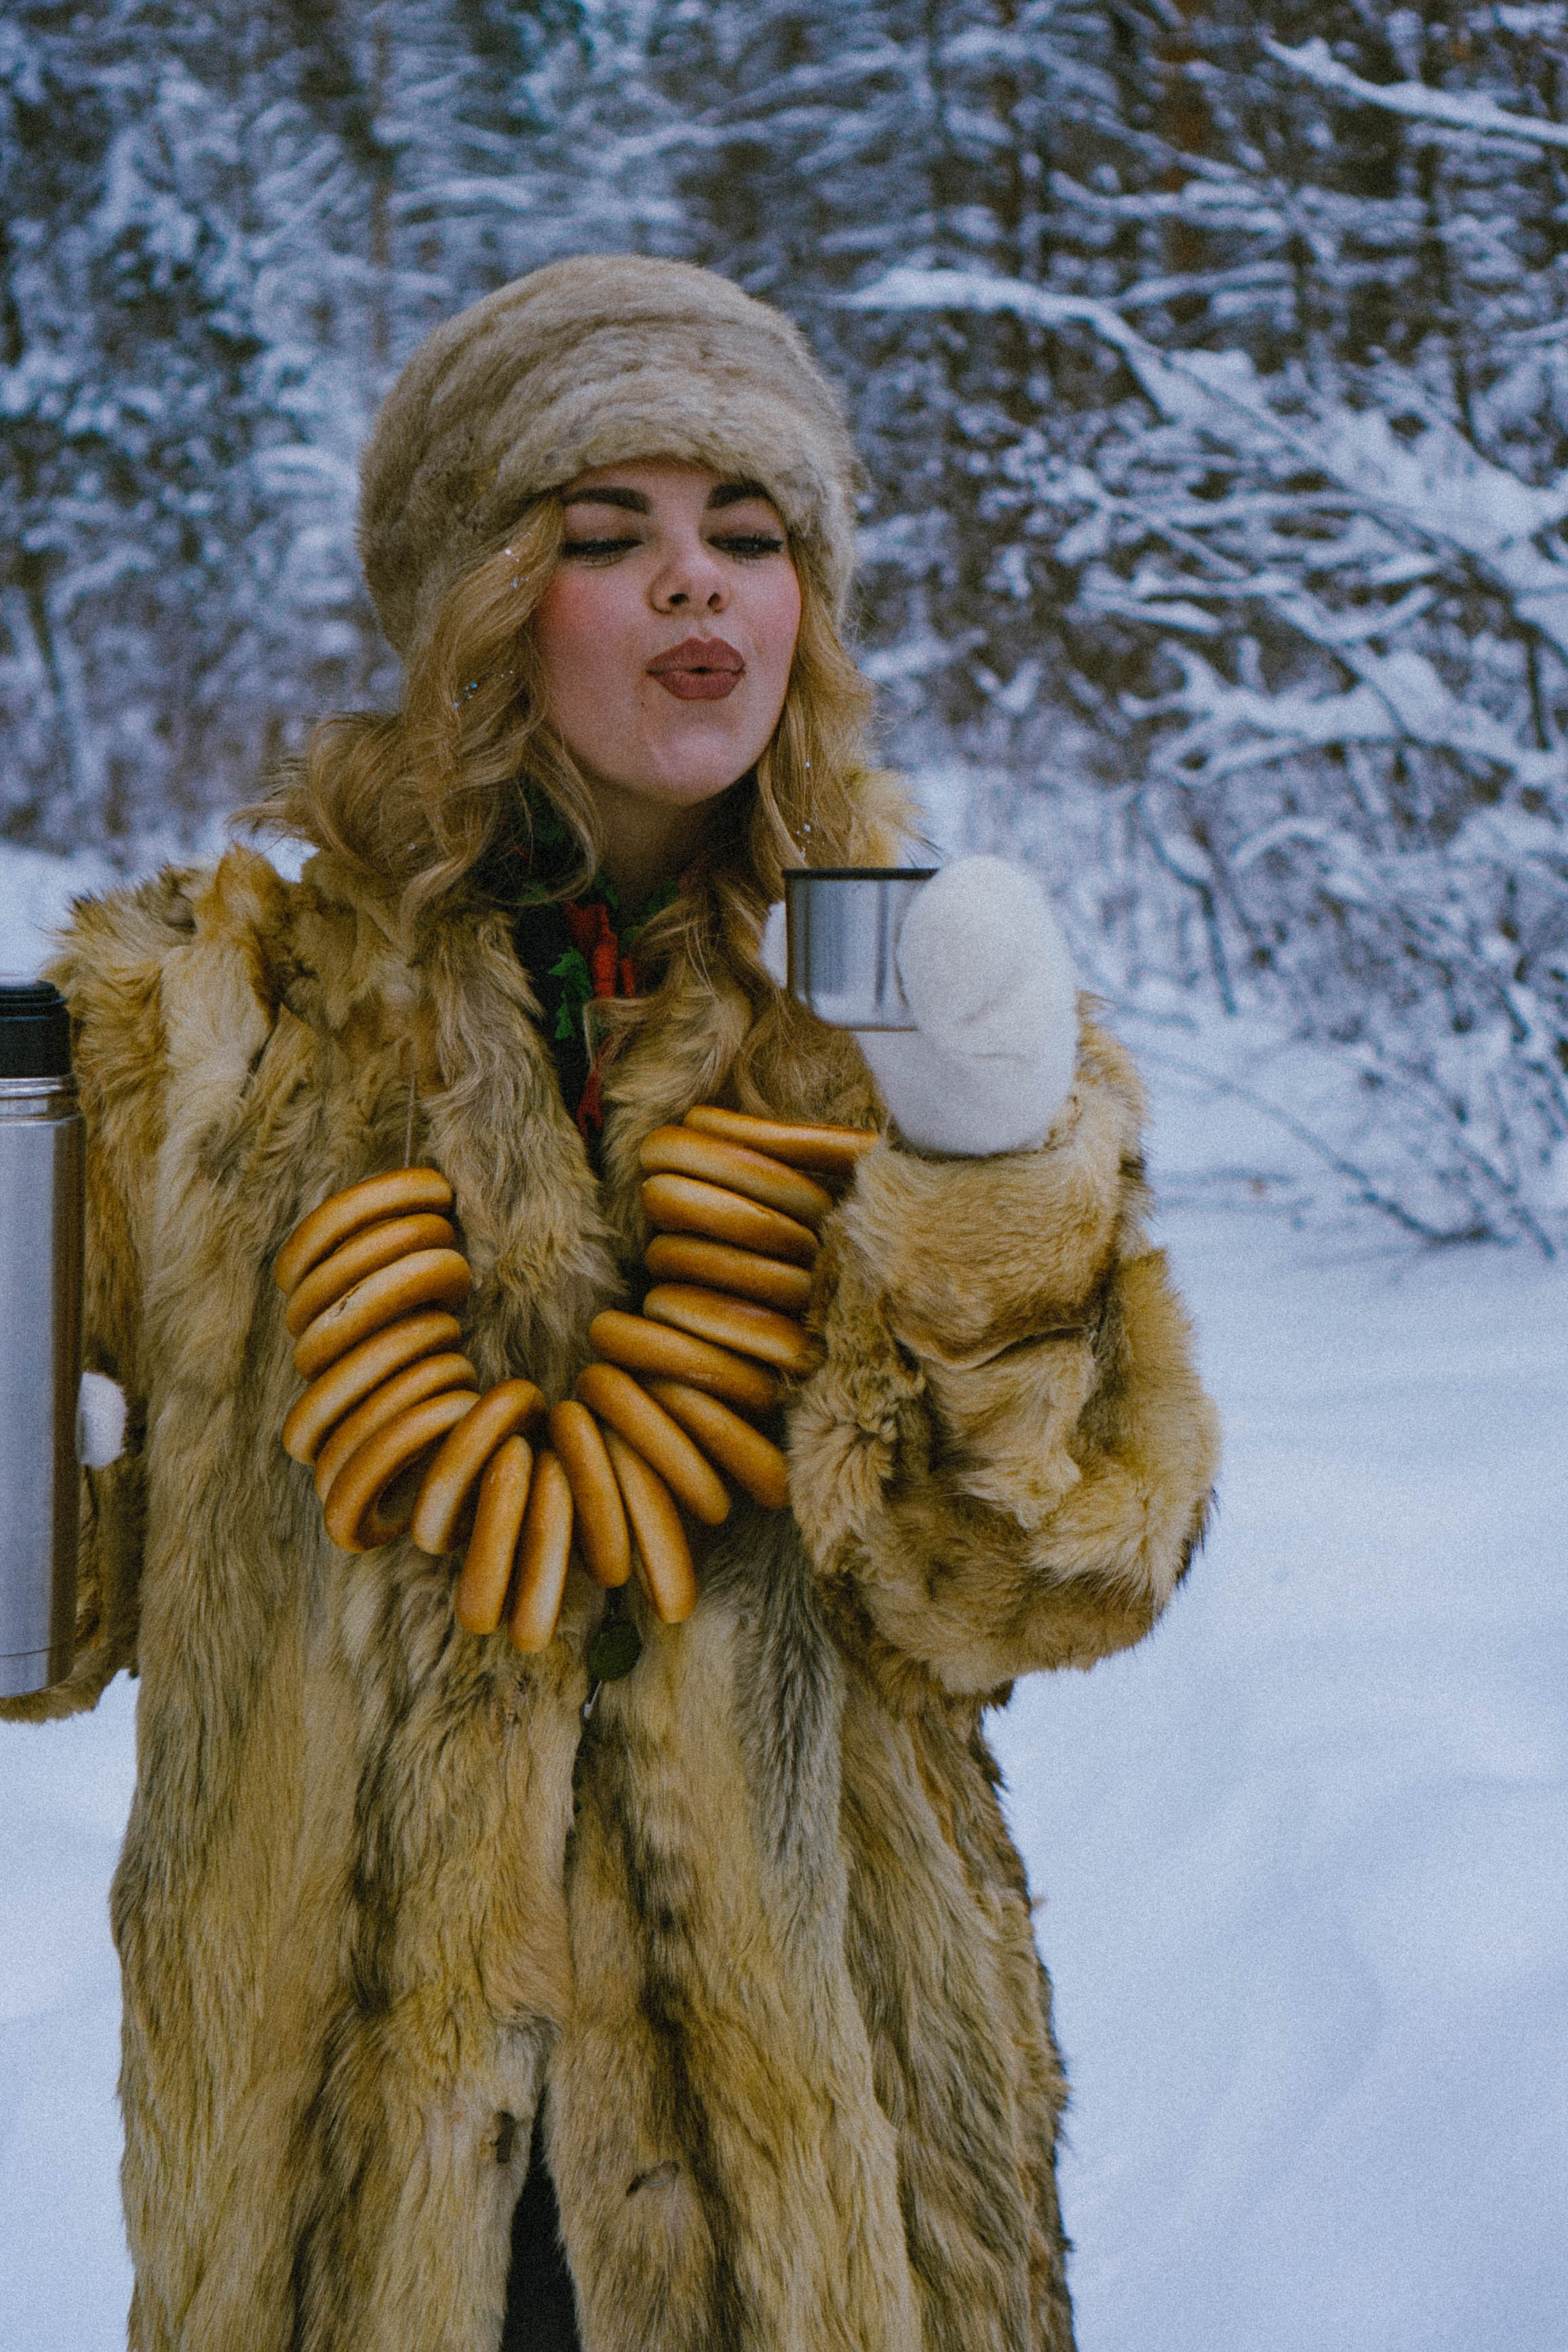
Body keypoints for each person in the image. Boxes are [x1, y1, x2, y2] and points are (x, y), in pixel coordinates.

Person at [2, 256, 1219, 2352]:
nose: (696, 584)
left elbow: (1049, 1579)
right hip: (341, 2195)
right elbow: (40, 1622)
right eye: (607, 531)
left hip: (821, 2177)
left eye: (752, 533)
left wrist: (990, 1175)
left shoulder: (927, 1016)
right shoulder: (212, 1036)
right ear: (476, 595)